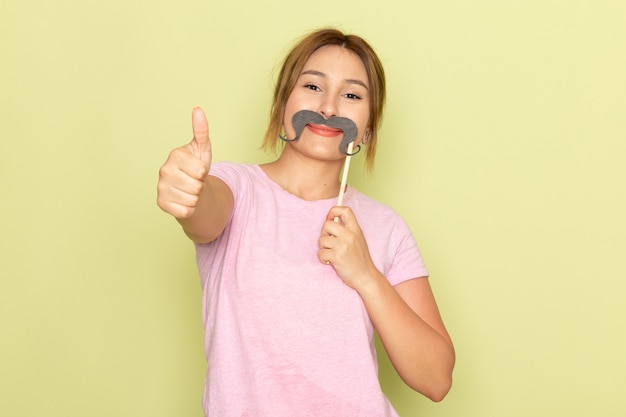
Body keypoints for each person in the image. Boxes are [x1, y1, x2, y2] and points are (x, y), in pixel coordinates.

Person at [157, 28, 455, 417]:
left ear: (368, 126)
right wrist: (188, 194)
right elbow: (205, 213)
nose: (329, 107)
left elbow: (436, 378)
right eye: (313, 86)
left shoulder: (386, 228)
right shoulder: (237, 188)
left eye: (351, 94)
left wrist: (365, 275)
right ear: (283, 101)